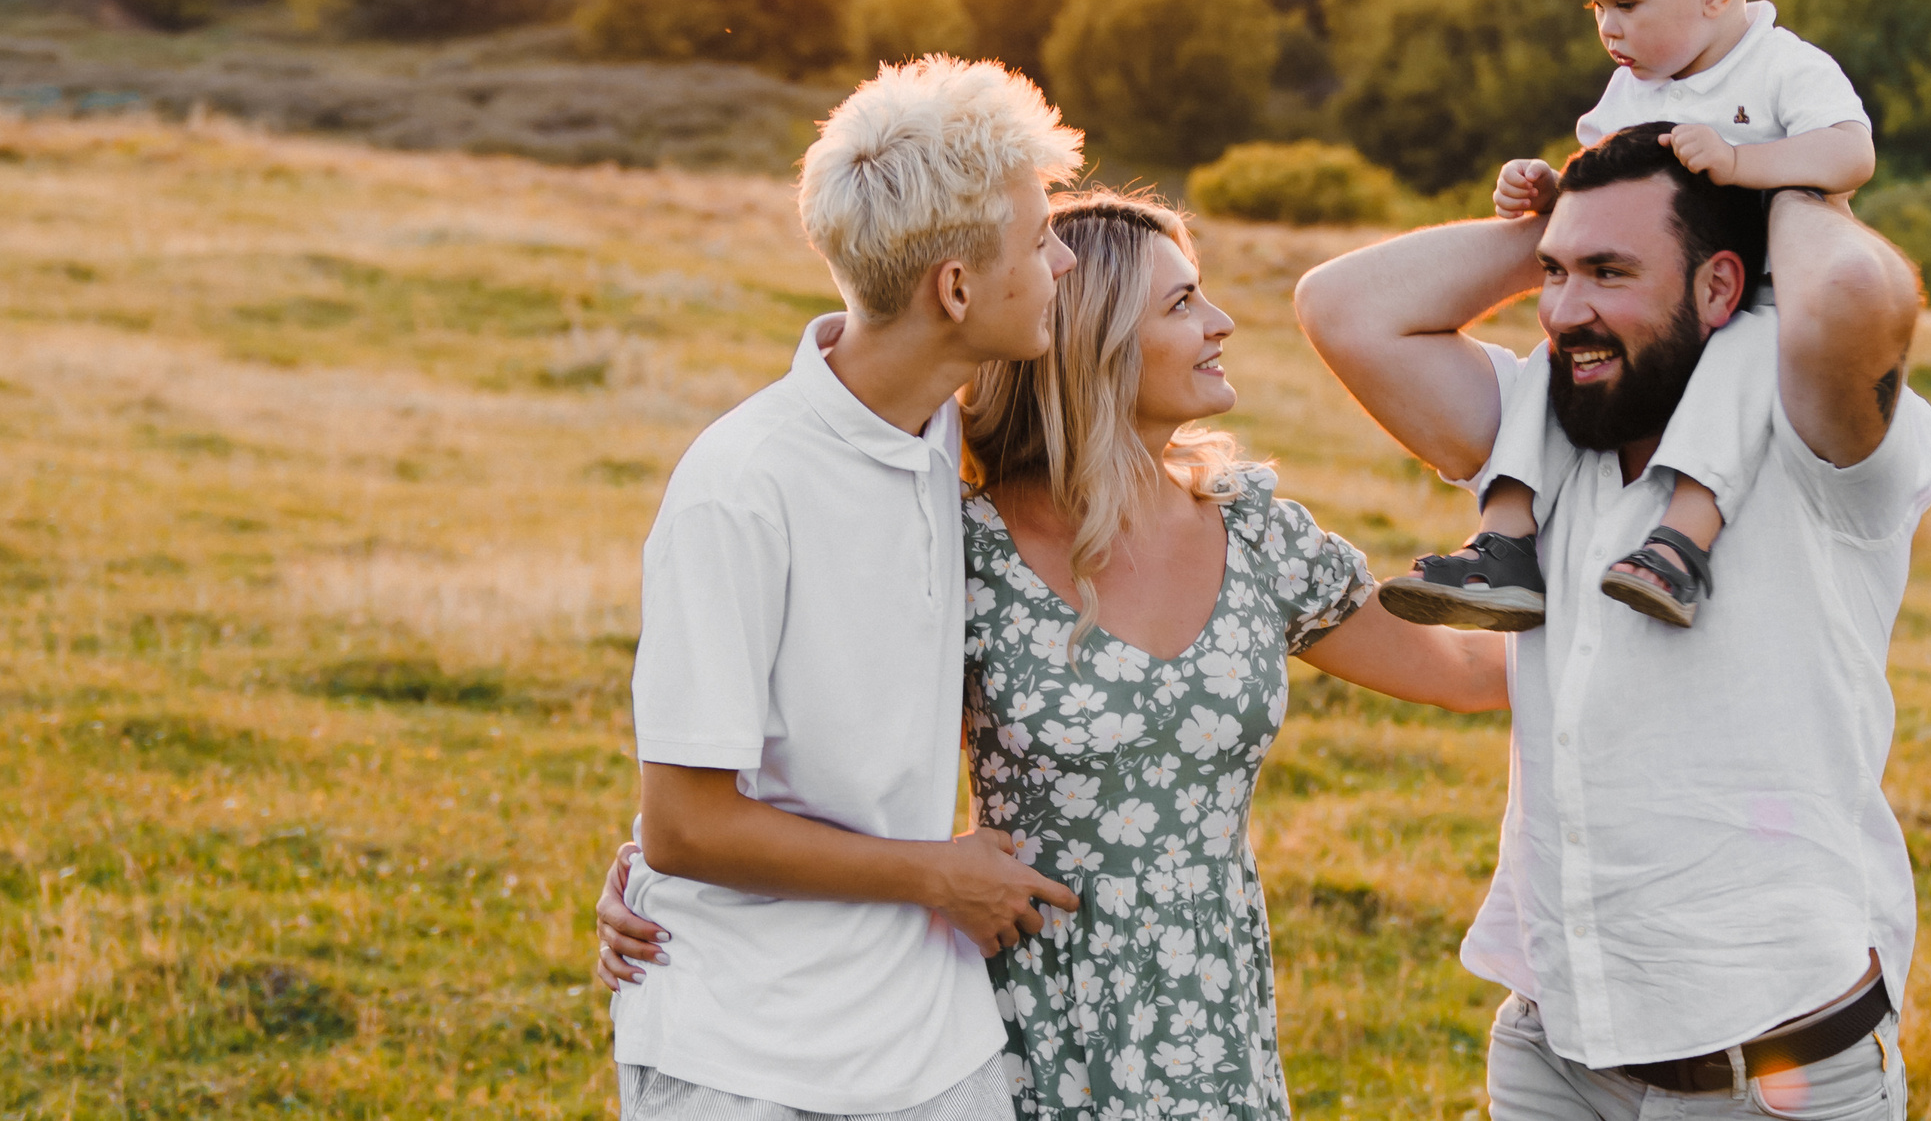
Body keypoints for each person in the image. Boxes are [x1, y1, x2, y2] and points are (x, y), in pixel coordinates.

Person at [600, 189, 1509, 1121]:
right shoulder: (964, 545)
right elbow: (819, 735)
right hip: (1010, 1009)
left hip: (1212, 1011)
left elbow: (1471, 675)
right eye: (1182, 304)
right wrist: (658, 871)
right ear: (1096, 343)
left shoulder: (1259, 534)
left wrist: (1616, 587)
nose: (1222, 323)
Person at [1295, 128, 1931, 1118]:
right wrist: (1555, 226)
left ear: (1723, 287)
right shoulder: (1544, 426)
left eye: (1608, 271)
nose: (1563, 311)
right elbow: (1346, 308)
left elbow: (1855, 295)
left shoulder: (1819, 448)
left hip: (1774, 1073)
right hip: (1555, 1055)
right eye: (1554, 273)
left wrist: (1765, 175)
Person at [604, 56, 1089, 1121]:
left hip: (930, 1041)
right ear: (955, 288)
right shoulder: (742, 485)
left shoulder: (946, 432)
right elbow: (684, 824)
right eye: (1040, 237)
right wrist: (938, 872)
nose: (1062, 259)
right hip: (744, 1051)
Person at [1379, 0, 1875, 635]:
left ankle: (1680, 546)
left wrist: (1743, 162)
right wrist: (1548, 188)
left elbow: (1851, 153)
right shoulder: (1629, 90)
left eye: (1626, 3)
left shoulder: (1784, 68)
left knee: (1746, 362)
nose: (1608, 26)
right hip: (1648, 317)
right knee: (1554, 361)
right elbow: (1597, 182)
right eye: (1595, 6)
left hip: (1760, 309)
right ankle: (1505, 540)